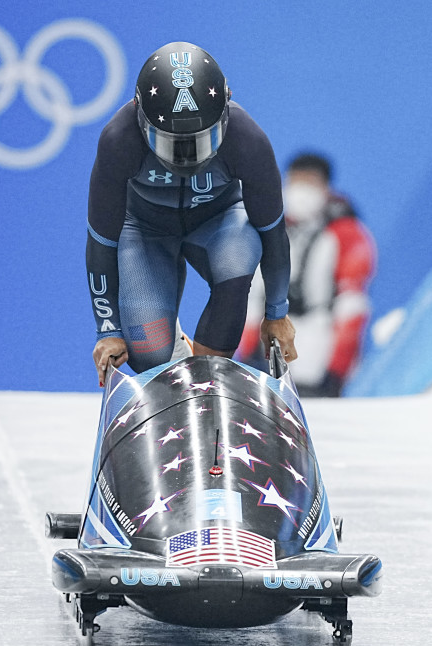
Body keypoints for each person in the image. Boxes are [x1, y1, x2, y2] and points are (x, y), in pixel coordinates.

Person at [85, 42, 296, 385]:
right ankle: (174, 352)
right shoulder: (118, 140)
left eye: (204, 139)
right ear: (141, 119)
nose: (186, 157)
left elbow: (272, 231)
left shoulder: (248, 139)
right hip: (145, 231)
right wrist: (107, 330)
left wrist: (277, 315)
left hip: (220, 222)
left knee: (239, 254)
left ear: (225, 114)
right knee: (148, 355)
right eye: (169, 142)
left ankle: (210, 378)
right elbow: (101, 242)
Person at [239, 153, 375, 397]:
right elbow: (254, 295)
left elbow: (352, 305)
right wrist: (248, 354)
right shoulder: (268, 228)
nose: (301, 191)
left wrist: (336, 371)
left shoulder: (347, 234)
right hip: (269, 349)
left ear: (325, 188)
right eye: (295, 181)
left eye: (309, 182)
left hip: (319, 347)